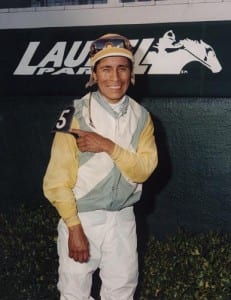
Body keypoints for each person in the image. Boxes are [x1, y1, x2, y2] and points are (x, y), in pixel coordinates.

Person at [43, 33, 158, 300]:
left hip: (123, 218)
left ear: (132, 73)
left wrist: (108, 145)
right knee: (74, 293)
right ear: (94, 74)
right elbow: (55, 181)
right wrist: (73, 227)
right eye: (106, 69)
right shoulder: (74, 113)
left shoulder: (143, 117)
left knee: (121, 292)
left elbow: (144, 170)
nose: (114, 78)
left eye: (122, 68)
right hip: (83, 219)